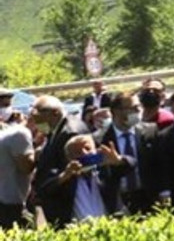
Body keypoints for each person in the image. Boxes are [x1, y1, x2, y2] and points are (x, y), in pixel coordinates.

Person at [30, 96, 91, 227]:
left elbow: (74, 170)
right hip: (57, 200)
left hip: (70, 205)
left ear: (55, 113)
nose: (39, 126)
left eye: (40, 121)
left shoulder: (70, 132)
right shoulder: (56, 129)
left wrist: (48, 184)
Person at [98, 92, 161, 215]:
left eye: (139, 107)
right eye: (133, 108)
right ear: (116, 111)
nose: (138, 111)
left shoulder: (150, 131)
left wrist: (164, 192)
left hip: (148, 196)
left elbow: (160, 163)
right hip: (119, 201)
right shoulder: (100, 139)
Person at [60, 134, 117, 223]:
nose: (84, 153)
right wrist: (65, 176)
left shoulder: (105, 172)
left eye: (88, 149)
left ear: (96, 150)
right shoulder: (67, 181)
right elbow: (45, 189)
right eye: (78, 152)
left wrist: (118, 161)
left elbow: (131, 164)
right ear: (69, 158)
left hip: (108, 226)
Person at [0, 88, 35, 228]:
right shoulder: (17, 134)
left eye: (7, 105)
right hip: (12, 205)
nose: (5, 109)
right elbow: (26, 167)